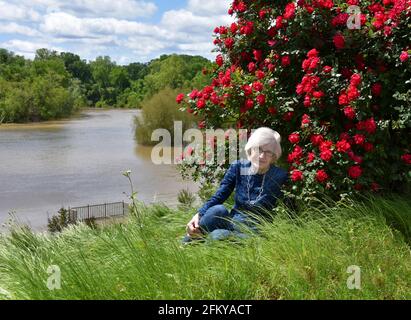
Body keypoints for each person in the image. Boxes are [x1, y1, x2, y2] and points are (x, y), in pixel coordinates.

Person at [183, 127, 289, 243]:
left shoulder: (280, 176)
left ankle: (204, 244)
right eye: (258, 149)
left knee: (217, 235)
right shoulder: (238, 167)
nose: (262, 156)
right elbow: (219, 196)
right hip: (233, 222)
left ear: (273, 156)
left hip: (254, 232)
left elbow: (290, 209)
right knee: (218, 210)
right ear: (250, 149)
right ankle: (189, 240)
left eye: (268, 152)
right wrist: (198, 215)